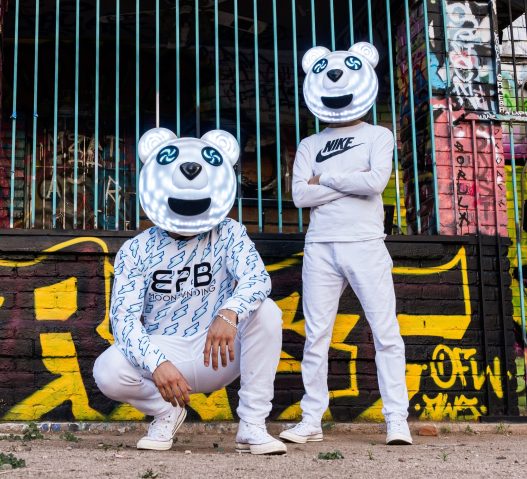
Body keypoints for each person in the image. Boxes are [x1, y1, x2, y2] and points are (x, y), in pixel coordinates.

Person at [93, 127, 287, 455]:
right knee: (107, 370)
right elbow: (123, 321)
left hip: (218, 352)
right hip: (166, 352)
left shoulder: (230, 232)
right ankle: (166, 412)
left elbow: (257, 278)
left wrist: (229, 312)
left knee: (267, 311)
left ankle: (252, 425)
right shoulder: (136, 249)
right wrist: (157, 363)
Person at [280, 42, 412, 446]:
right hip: (321, 245)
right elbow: (299, 195)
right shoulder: (310, 144)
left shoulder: (379, 135)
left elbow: (376, 183)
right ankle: (311, 420)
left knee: (385, 333)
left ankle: (397, 420)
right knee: (316, 336)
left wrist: (326, 179)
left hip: (366, 243)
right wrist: (350, 181)